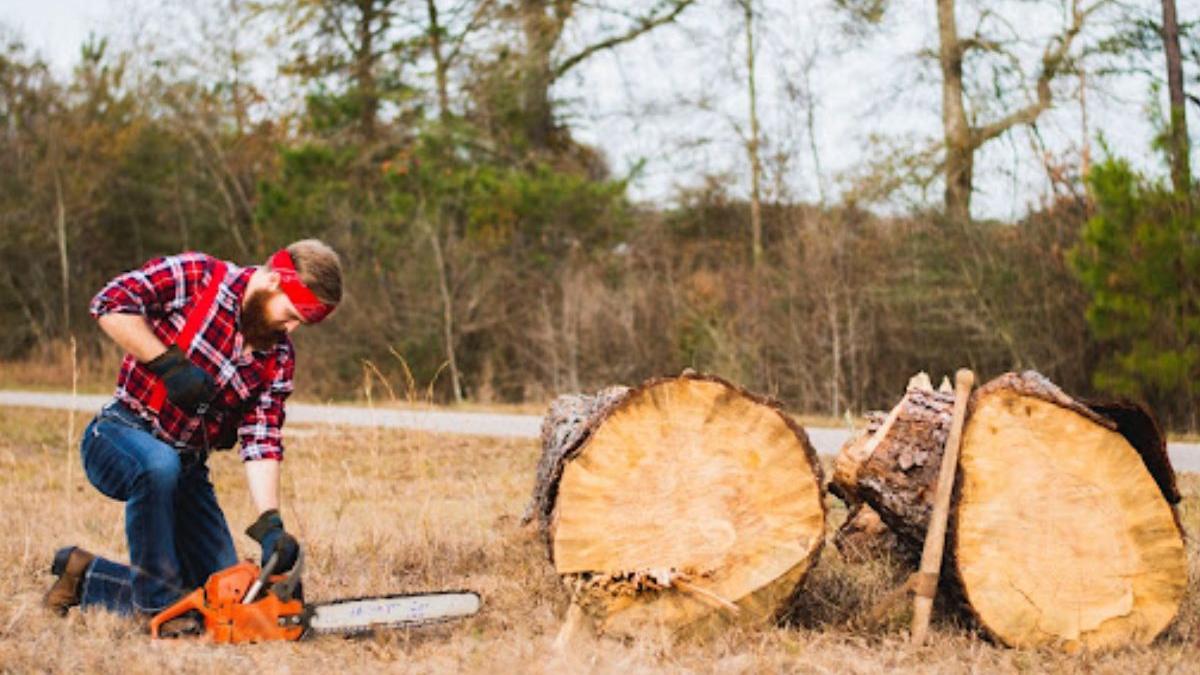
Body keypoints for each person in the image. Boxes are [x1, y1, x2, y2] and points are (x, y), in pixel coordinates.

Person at [43, 240, 342, 629]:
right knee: (158, 465)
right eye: (291, 314)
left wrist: (270, 523)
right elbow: (109, 303)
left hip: (187, 469)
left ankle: (84, 576)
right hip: (119, 434)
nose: (291, 328)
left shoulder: (278, 357)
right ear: (272, 280)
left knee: (221, 604)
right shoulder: (199, 277)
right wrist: (167, 364)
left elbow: (261, 437)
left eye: (304, 321)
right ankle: (157, 612)